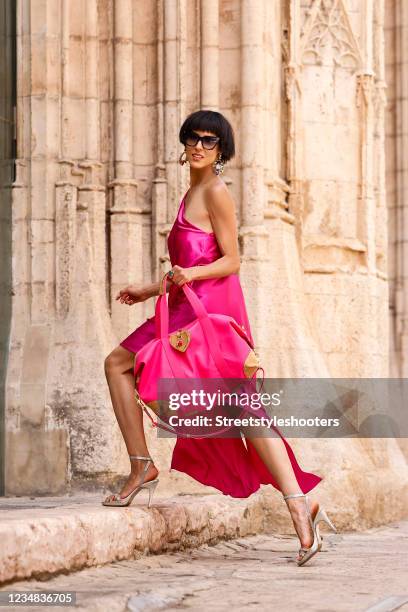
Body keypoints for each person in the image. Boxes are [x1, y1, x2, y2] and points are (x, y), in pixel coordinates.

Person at [102, 110, 336, 566]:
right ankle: (141, 465)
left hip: (211, 315)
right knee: (118, 364)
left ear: (221, 151)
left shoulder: (216, 192)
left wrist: (187, 274)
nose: (198, 147)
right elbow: (185, 268)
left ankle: (300, 506)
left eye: (208, 141)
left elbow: (232, 261)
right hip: (182, 306)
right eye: (192, 138)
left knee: (243, 409)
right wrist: (149, 289)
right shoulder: (191, 191)